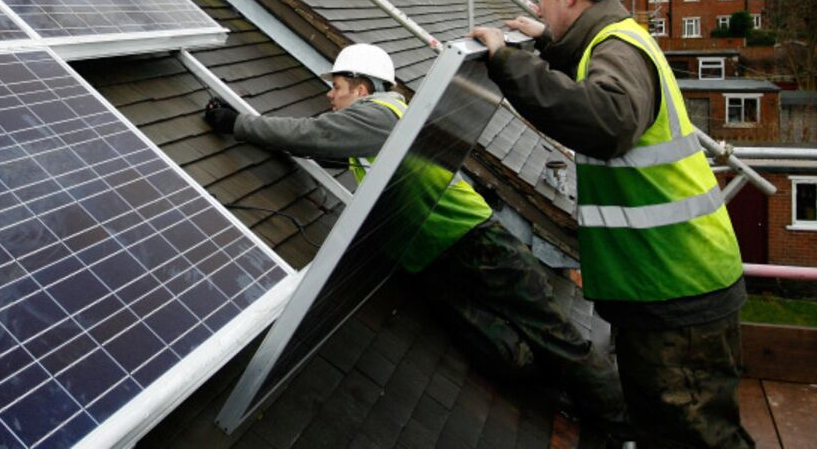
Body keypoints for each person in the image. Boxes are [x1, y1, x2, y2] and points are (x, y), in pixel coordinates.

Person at [204, 43, 625, 426]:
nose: (329, 97)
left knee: (554, 333)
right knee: (500, 348)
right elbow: (316, 144)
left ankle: (622, 423)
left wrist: (237, 122)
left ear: (362, 88)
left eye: (336, 87)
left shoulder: (380, 115)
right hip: (436, 258)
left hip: (473, 240)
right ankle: (570, 394)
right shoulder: (383, 121)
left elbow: (310, 134)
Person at [470, 0, 752, 448]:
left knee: (696, 438)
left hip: (677, 289)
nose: (539, 2)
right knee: (669, 432)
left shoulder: (618, 49)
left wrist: (509, 64)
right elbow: (594, 75)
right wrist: (551, 45)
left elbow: (606, 118)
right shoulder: (613, 39)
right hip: (667, 284)